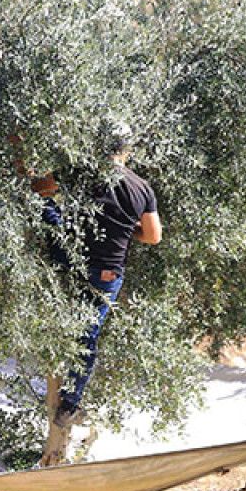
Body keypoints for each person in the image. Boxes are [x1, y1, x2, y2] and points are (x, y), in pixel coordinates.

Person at [43, 129, 162, 428]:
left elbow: (41, 188)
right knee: (88, 337)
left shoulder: (82, 170)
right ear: (128, 150)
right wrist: (125, 229)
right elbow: (153, 236)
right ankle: (68, 406)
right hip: (105, 272)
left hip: (68, 257)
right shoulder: (142, 188)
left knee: (46, 209)